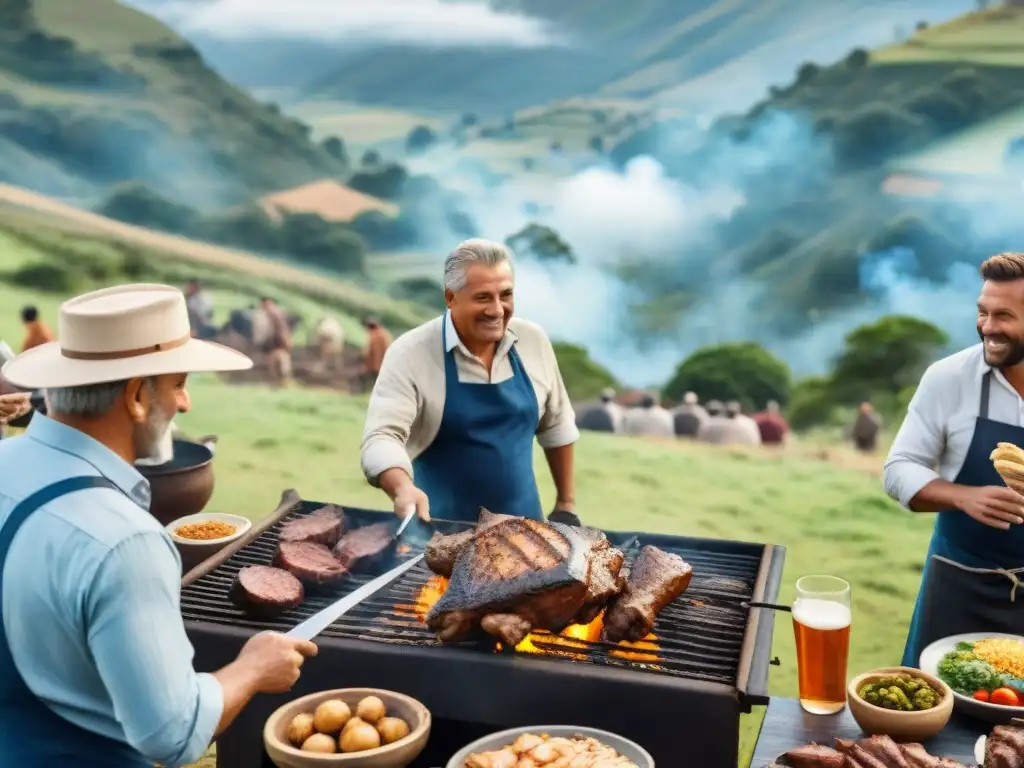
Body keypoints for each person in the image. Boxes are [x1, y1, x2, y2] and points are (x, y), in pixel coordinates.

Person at [0, 284, 318, 766]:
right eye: (178, 383)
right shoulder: (125, 540)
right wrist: (252, 668)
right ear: (135, 397)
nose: (185, 403)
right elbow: (172, 735)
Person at [361, 239, 579, 526]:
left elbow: (557, 425)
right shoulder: (410, 353)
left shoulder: (532, 341)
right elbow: (381, 438)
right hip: (440, 538)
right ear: (451, 298)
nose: (498, 310)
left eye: (506, 295)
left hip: (526, 536)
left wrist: (566, 503)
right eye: (483, 298)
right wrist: (402, 487)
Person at [884, 251, 1024, 668]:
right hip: (957, 587)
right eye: (983, 312)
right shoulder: (948, 378)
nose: (988, 327)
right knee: (934, 720)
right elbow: (899, 468)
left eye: (1005, 316)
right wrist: (963, 497)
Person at [260, 296, 293, 387]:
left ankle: (282, 384)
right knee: (276, 369)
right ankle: (279, 384)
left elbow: (283, 332)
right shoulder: (266, 315)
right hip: (272, 346)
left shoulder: (276, 315)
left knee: (281, 369)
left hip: (278, 345)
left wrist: (287, 344)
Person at [362, 315, 392, 393]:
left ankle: (368, 392)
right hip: (385, 363)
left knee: (372, 380)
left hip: (374, 365)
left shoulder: (373, 336)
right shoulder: (385, 334)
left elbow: (368, 351)